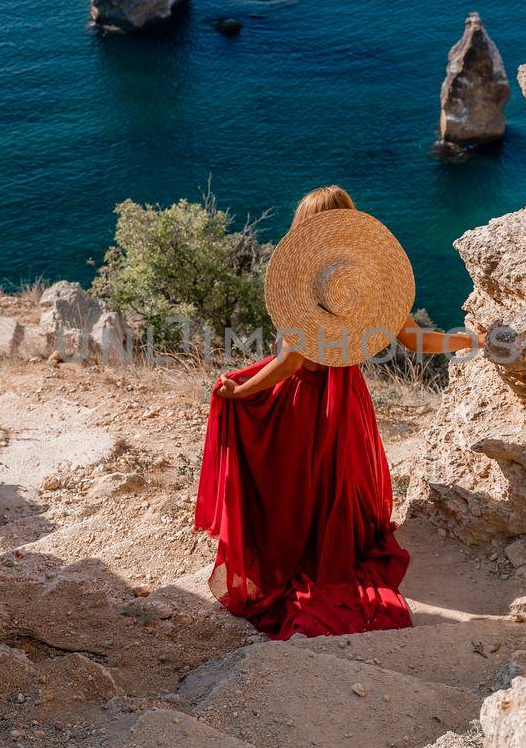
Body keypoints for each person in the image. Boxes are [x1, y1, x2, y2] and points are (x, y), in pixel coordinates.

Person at [193, 185, 481, 639]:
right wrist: (470, 340)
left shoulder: (303, 282)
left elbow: (291, 362)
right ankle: (340, 544)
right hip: (347, 396)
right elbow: (417, 341)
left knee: (299, 483)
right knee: (341, 478)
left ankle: (299, 550)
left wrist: (241, 390)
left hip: (305, 400)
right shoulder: (369, 281)